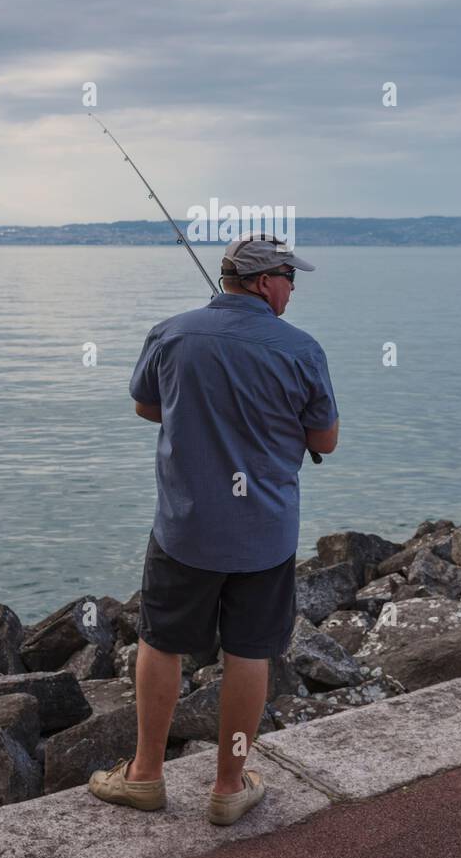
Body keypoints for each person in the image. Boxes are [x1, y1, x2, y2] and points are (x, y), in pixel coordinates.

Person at [88, 233, 339, 825]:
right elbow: (324, 439)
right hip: (265, 533)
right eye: (287, 276)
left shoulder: (172, 333)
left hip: (186, 528)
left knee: (162, 640)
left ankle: (146, 775)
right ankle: (229, 786)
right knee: (250, 650)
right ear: (259, 282)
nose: (293, 287)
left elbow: (146, 405)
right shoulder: (301, 349)